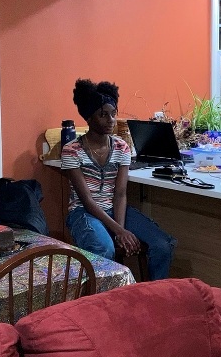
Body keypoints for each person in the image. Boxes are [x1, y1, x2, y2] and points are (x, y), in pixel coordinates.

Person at [61, 79, 177, 280]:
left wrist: (120, 230)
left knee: (162, 245)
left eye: (113, 114)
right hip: (83, 212)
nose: (111, 120)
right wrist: (118, 230)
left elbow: (120, 193)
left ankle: (153, 298)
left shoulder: (122, 147)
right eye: (103, 114)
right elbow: (87, 200)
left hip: (115, 209)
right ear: (89, 118)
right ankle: (105, 304)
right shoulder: (72, 150)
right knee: (104, 250)